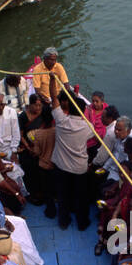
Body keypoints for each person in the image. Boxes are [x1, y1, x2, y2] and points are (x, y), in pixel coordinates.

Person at [49, 90, 95, 230]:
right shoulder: (88, 127)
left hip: (62, 167)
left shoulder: (61, 120)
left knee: (63, 196)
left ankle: (64, 222)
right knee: (81, 197)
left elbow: (54, 99)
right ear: (82, 111)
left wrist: (52, 79)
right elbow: (91, 134)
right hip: (79, 169)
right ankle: (82, 223)